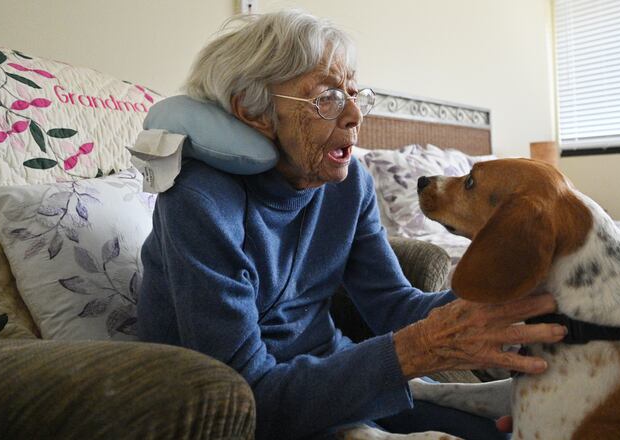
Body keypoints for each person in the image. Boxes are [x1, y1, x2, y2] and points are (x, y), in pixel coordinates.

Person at [137, 9, 566, 440]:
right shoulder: (198, 201)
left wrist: (499, 285)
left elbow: (393, 306)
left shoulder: (347, 184)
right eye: (328, 97)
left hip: (333, 374)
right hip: (256, 405)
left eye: (355, 93)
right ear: (253, 111)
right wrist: (418, 349)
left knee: (512, 430)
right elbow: (246, 397)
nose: (356, 115)